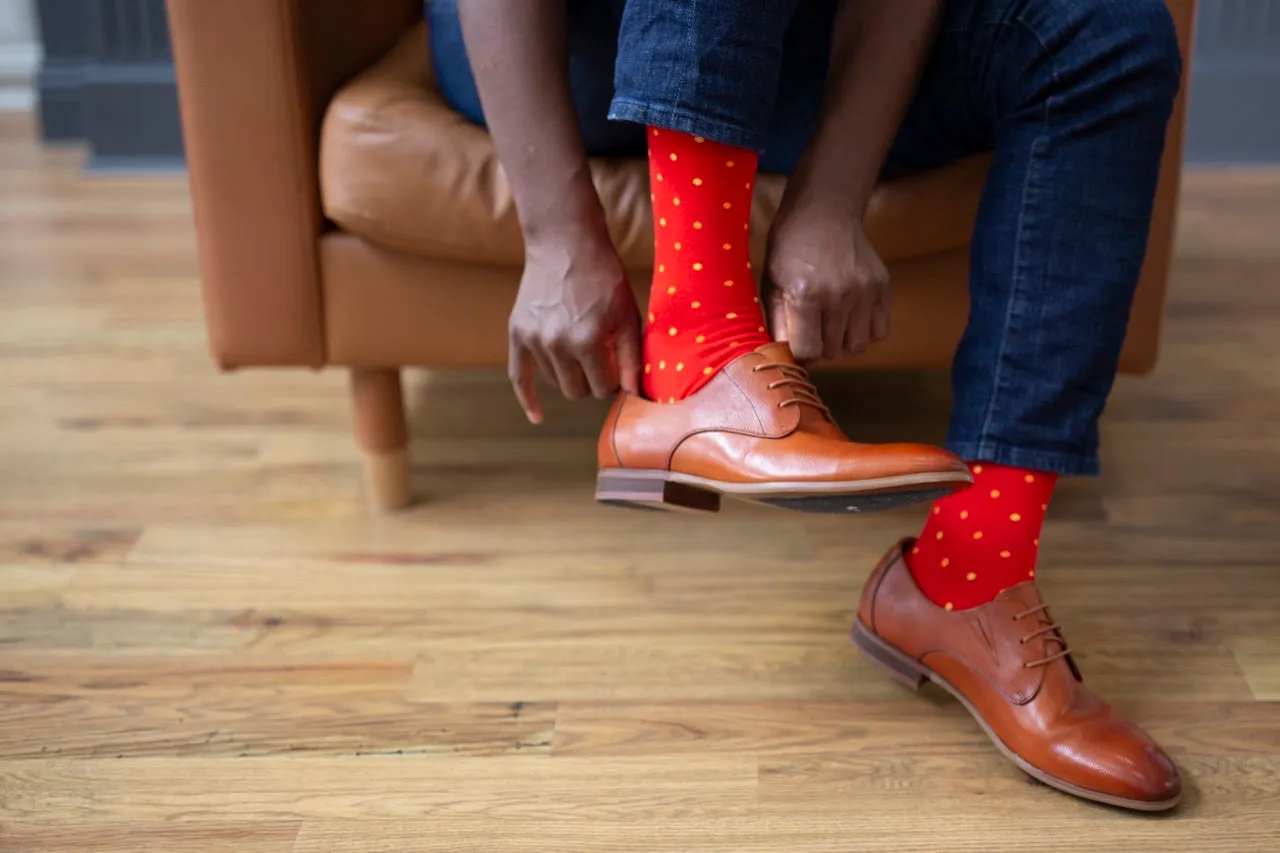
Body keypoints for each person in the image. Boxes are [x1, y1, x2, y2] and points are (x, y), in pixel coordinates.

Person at [430, 0, 1185, 810]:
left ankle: (971, 575)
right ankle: (696, 357)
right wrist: (553, 232)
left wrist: (833, 196)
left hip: (800, 43)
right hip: (578, 45)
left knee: (1104, 34)